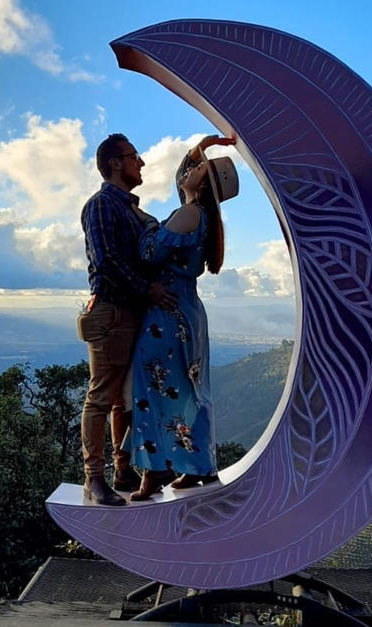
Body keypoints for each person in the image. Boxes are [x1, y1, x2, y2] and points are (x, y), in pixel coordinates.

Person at [125, 134, 238, 501]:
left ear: (202, 183)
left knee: (153, 389)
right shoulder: (199, 214)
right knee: (189, 391)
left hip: (167, 313)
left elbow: (148, 252)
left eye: (197, 169)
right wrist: (201, 147)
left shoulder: (189, 214)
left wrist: (147, 225)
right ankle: (194, 468)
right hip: (188, 313)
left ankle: (154, 469)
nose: (190, 170)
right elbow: (180, 176)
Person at [77, 133, 176, 506]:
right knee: (101, 396)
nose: (142, 163)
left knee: (124, 399)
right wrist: (147, 289)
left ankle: (121, 470)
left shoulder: (130, 209)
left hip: (129, 311)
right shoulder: (102, 205)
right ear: (115, 163)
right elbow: (106, 262)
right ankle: (93, 479)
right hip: (112, 310)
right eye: (135, 156)